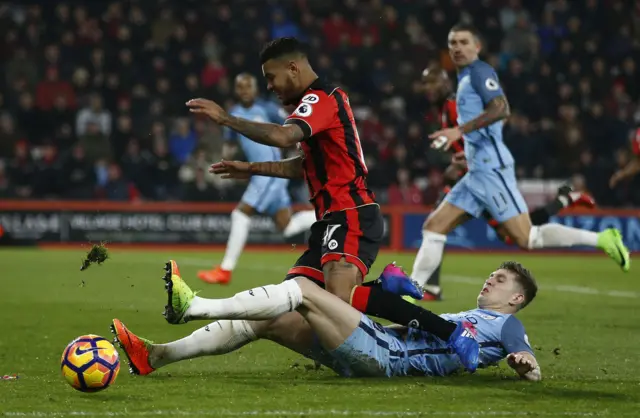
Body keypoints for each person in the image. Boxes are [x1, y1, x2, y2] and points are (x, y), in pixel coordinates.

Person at [185, 37, 481, 370]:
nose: (269, 86)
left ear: (293, 68)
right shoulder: (316, 107)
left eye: (271, 76)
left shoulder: (321, 98)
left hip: (351, 213)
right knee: (294, 303)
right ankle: (379, 294)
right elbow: (303, 165)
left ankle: (454, 331)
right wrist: (251, 168)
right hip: (329, 221)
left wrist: (227, 119)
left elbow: (283, 137)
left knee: (337, 299)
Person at [410, 24, 630, 294]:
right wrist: (463, 154)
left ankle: (603, 239)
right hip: (476, 170)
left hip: (491, 170)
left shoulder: (480, 72)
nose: (457, 47)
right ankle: (413, 296)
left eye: (464, 42)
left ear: (477, 47)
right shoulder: (465, 79)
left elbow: (501, 108)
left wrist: (459, 130)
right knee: (434, 226)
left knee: (528, 237)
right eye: (453, 42)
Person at [111, 260, 540, 381]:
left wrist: (525, 364)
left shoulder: (504, 325)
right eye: (492, 275)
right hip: (371, 343)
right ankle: (155, 356)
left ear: (515, 298)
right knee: (270, 319)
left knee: (303, 288)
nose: (490, 280)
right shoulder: (470, 316)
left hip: (384, 355)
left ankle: (195, 306)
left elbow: (526, 358)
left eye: (500, 280)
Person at [417, 65, 597, 301]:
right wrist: (459, 161)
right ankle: (429, 287)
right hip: (470, 179)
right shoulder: (442, 110)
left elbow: (490, 125)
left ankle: (566, 201)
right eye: (426, 83)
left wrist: (470, 160)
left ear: (445, 83)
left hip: (484, 178)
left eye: (434, 82)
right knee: (437, 225)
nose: (429, 88)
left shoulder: (454, 106)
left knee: (519, 236)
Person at [197, 73, 316, 285]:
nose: (244, 91)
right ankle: (329, 214)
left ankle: (225, 270)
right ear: (236, 90)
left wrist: (300, 148)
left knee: (240, 215)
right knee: (287, 226)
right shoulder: (233, 113)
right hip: (263, 175)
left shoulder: (268, 109)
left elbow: (293, 127)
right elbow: (231, 144)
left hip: (269, 174)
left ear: (255, 89)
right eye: (240, 87)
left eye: (248, 87)